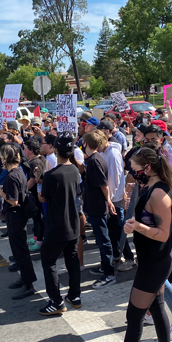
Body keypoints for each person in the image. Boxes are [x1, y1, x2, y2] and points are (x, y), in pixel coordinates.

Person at [91, 147, 172, 342]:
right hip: (152, 260)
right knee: (159, 308)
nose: (132, 172)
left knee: (135, 315)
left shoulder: (159, 194)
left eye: (135, 168)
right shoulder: (149, 186)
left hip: (155, 263)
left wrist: (137, 227)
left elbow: (163, 235)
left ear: (148, 168)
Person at [38, 133, 82, 315]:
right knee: (72, 259)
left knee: (49, 262)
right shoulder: (75, 170)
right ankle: (75, 295)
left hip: (57, 225)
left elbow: (43, 198)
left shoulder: (51, 175)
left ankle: (56, 301)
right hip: (73, 224)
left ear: (56, 150)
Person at [0, 144, 37, 300]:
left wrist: (0, 192)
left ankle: (29, 285)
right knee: (18, 250)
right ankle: (25, 279)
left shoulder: (12, 176)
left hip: (16, 215)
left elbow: (13, 200)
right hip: (17, 215)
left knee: (21, 250)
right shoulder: (18, 171)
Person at [82, 130, 117, 289]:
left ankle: (109, 273)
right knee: (101, 237)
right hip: (93, 204)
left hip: (98, 205)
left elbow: (103, 184)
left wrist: (109, 201)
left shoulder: (95, 160)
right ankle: (104, 265)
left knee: (103, 240)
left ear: (86, 144)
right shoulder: (93, 159)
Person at [99, 131, 133, 270]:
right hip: (111, 198)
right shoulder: (105, 152)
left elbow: (114, 178)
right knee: (112, 229)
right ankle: (117, 254)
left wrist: (110, 199)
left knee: (118, 229)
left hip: (115, 199)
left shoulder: (112, 154)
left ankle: (129, 257)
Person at [25, 138, 46, 246]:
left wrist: (23, 191)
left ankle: (39, 241)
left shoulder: (35, 162)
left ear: (31, 150)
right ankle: (36, 236)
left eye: (25, 149)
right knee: (36, 218)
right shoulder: (35, 160)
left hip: (37, 195)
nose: (24, 151)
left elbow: (33, 180)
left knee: (38, 218)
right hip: (35, 195)